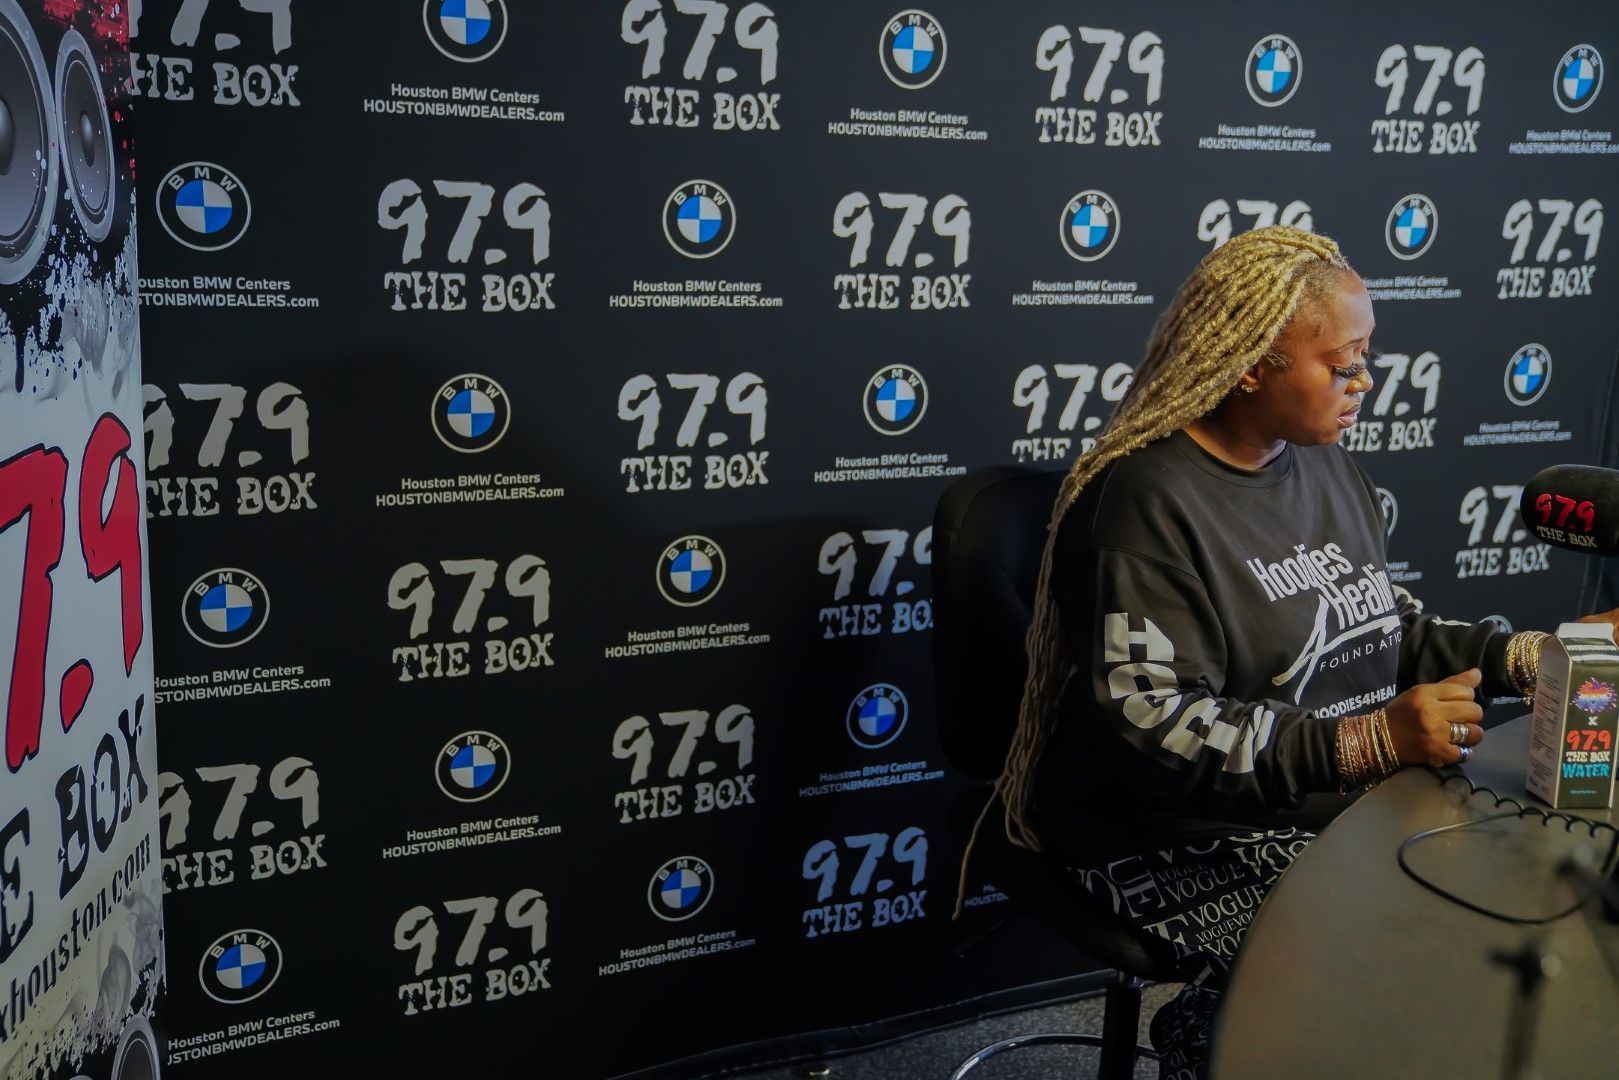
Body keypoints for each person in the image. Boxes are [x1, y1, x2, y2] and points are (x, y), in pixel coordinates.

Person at [971, 226, 1619, 1079]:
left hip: (1318, 798)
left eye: (1366, 357)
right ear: (1250, 364)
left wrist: (1537, 657)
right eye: (1341, 363)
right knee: (1364, 982)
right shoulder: (1140, 503)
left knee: (1494, 925)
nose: (1364, 382)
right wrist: (1367, 742)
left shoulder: (1322, 465)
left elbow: (1385, 630)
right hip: (1170, 831)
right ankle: (1211, 1040)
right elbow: (1157, 728)